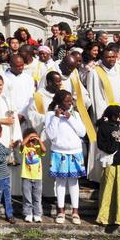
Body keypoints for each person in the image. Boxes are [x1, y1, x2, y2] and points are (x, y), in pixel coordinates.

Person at [87, 47, 120, 182]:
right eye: (108, 57)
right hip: (106, 116)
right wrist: (107, 117)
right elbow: (97, 98)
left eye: (113, 57)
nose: (111, 60)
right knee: (107, 146)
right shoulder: (95, 72)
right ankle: (101, 178)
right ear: (102, 58)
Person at [45, 90, 86, 225]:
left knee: (74, 182)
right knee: (61, 182)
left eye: (71, 101)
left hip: (75, 152)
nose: (69, 104)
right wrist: (57, 118)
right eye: (66, 102)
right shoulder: (51, 115)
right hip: (59, 152)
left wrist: (70, 118)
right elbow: (50, 135)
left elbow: (82, 132)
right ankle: (61, 211)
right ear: (59, 102)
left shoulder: (75, 115)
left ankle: (75, 212)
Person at [20, 127, 46, 223]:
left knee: (37, 197)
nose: (32, 142)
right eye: (30, 140)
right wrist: (29, 136)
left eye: (33, 140)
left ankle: (37, 214)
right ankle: (28, 214)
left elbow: (44, 150)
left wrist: (38, 140)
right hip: (26, 176)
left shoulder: (38, 148)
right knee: (27, 197)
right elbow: (22, 144)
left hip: (38, 177)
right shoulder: (25, 149)